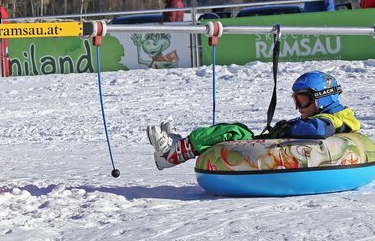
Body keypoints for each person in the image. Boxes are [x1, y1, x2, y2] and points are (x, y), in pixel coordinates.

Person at [145, 71, 359, 170]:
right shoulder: (335, 114)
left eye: (303, 101)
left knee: (235, 132)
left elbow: (319, 130)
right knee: (234, 132)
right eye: (296, 100)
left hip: (273, 149)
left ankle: (170, 155)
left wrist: (289, 127)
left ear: (322, 99)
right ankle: (180, 145)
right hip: (274, 144)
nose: (299, 107)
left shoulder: (333, 118)